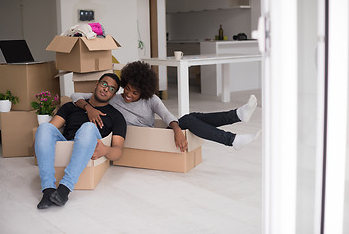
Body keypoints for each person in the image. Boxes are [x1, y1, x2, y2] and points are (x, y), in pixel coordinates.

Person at [71, 61, 260, 153]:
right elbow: (76, 95)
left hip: (157, 134)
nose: (128, 94)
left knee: (187, 119)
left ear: (143, 92)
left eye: (135, 93)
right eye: (127, 89)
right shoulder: (113, 98)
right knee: (189, 119)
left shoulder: (151, 99)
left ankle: (236, 120)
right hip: (144, 138)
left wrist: (177, 130)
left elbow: (167, 115)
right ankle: (235, 125)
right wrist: (88, 108)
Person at [35, 73, 126, 209]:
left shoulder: (116, 117)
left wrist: (106, 150)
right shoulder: (71, 107)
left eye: (112, 89)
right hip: (66, 143)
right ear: (97, 84)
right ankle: (48, 190)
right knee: (44, 127)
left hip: (89, 146)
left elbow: (118, 151)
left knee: (88, 127)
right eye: (104, 84)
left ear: (113, 95)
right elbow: (50, 130)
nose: (106, 89)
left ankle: (64, 189)